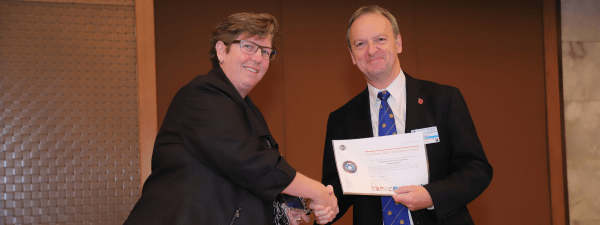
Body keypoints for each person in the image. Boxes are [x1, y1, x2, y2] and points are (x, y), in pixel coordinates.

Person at [124, 12, 338, 225]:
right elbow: (248, 161)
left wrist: (285, 207)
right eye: (248, 46)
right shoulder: (202, 94)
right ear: (221, 50)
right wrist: (318, 191)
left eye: (266, 51)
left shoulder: (247, 109)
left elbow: (243, 180)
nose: (258, 58)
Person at [320, 6, 493, 225]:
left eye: (380, 39)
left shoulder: (443, 100)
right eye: (360, 44)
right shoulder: (341, 119)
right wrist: (318, 205)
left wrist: (431, 196)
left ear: (398, 43)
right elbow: (338, 189)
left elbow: (477, 169)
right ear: (352, 56)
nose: (371, 50)